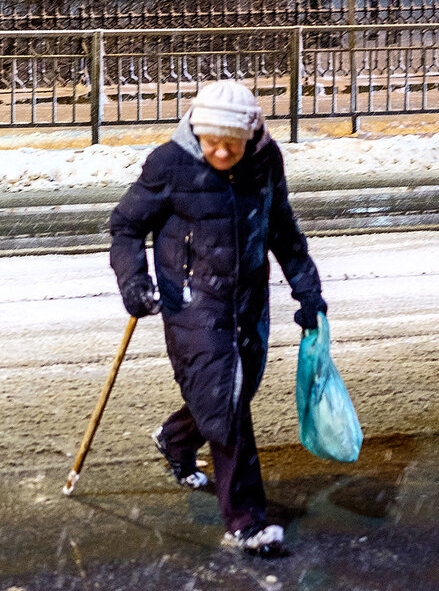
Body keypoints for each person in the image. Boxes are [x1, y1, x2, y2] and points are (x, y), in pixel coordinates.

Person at [108, 80, 326, 558]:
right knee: (226, 404)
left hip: (247, 301)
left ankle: (176, 438)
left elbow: (282, 230)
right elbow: (126, 227)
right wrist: (133, 282)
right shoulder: (170, 163)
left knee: (233, 392)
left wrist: (308, 290)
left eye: (233, 142)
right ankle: (247, 521)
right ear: (197, 132)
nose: (222, 151)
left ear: (252, 135)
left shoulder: (266, 162)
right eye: (212, 141)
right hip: (191, 303)